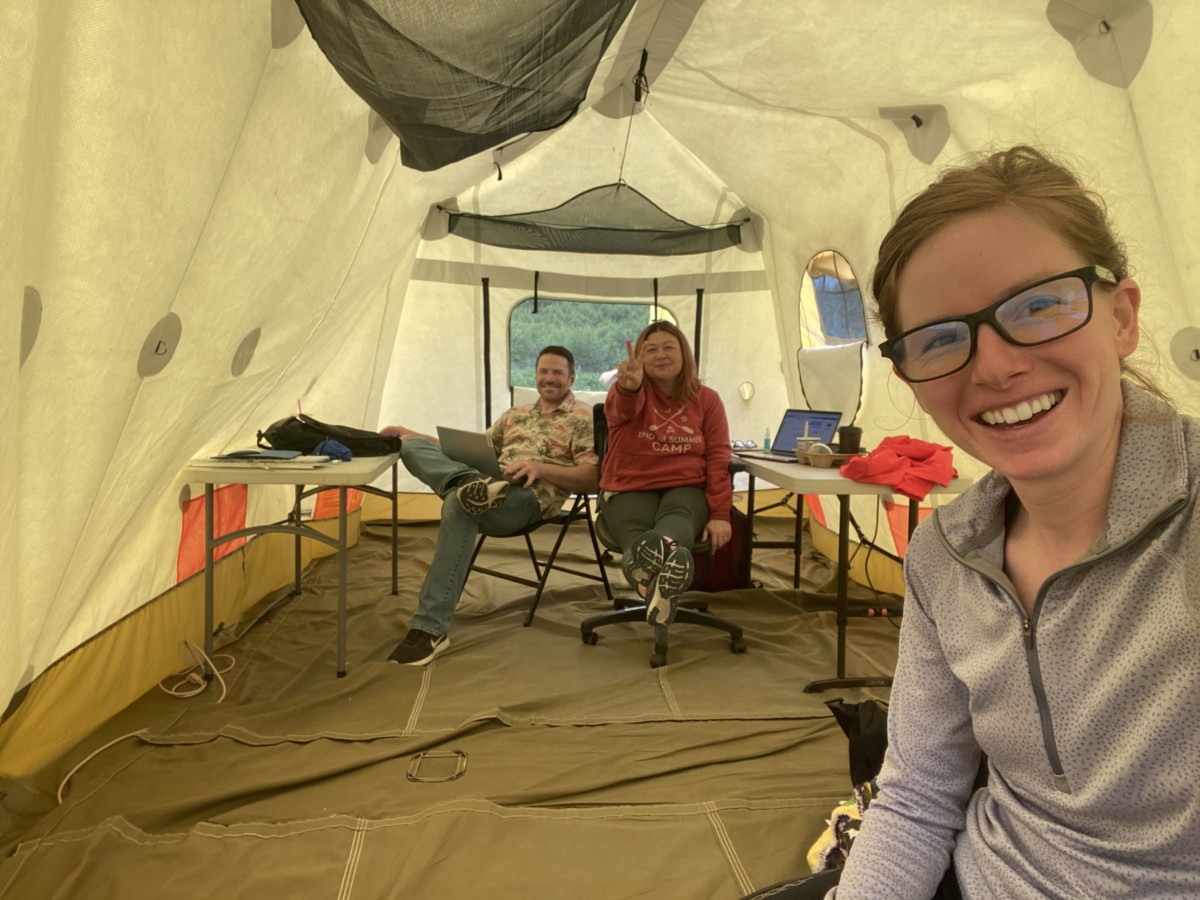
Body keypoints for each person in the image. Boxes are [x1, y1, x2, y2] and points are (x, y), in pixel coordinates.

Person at [748, 146, 1200, 899]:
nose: (992, 367)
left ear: (1121, 315)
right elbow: (921, 797)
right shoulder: (945, 552)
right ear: (909, 378)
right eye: (940, 339)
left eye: (1038, 306)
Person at [379, 345, 599, 665]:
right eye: (543, 372)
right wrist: (411, 434)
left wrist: (540, 468)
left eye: (557, 373)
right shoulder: (514, 415)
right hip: (487, 485)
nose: (549, 379)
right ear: (535, 375)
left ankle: (429, 629)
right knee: (411, 449)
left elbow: (592, 478)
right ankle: (463, 483)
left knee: (460, 504)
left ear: (571, 377)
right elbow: (466, 450)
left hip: (529, 497)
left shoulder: (582, 418)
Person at [599, 321, 733, 625]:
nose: (661, 355)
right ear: (640, 359)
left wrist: (721, 514)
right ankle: (660, 584)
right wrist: (628, 387)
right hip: (629, 486)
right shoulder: (626, 392)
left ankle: (649, 583)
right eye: (651, 349)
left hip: (685, 486)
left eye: (669, 347)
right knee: (634, 528)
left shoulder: (707, 399)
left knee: (679, 516)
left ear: (684, 354)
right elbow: (622, 409)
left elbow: (718, 457)